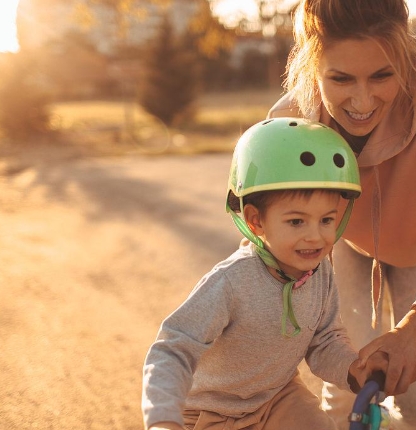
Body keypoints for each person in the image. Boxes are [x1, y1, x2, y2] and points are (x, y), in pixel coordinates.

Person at [267, 1, 416, 429]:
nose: (362, 100)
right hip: (343, 244)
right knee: (345, 389)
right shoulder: (289, 122)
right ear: (314, 66)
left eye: (382, 75)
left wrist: (413, 333)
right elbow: (266, 238)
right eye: (341, 78)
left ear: (404, 55)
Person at [142, 117, 389, 430]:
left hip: (277, 399)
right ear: (256, 220)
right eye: (297, 222)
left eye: (326, 220)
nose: (316, 237)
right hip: (210, 411)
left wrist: (354, 369)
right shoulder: (232, 281)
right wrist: (163, 419)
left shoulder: (320, 270)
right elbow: (173, 349)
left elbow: (324, 340)